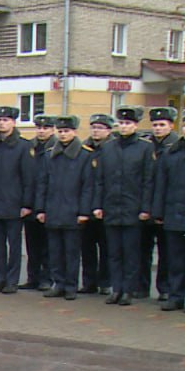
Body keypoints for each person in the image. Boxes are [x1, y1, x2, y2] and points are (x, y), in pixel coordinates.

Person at [93, 106, 154, 305]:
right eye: (121, 123)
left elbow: (147, 181)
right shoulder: (108, 147)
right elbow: (100, 180)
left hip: (132, 208)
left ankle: (128, 290)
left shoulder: (145, 148)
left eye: (128, 123)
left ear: (135, 125)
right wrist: (98, 205)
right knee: (114, 252)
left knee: (131, 253)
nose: (124, 127)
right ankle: (116, 289)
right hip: (111, 207)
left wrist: (145, 208)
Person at [36, 115, 95, 300]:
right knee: (55, 251)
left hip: (73, 211)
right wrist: (41, 209)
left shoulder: (85, 155)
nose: (63, 135)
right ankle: (58, 283)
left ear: (75, 132)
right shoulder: (50, 154)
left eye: (66, 131)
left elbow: (88, 186)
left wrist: (84, 211)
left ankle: (71, 286)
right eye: (60, 131)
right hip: (53, 210)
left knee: (71, 252)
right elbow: (42, 183)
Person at [151, 106, 185, 313]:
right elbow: (160, 185)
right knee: (175, 260)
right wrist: (158, 212)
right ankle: (175, 296)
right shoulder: (172, 153)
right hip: (174, 214)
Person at [0, 106, 34, 294]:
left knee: (14, 246)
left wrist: (27, 204)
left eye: (6, 120)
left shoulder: (23, 146)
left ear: (13, 122)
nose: (2, 123)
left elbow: (28, 177)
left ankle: (12, 280)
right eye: (0, 119)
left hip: (14, 202)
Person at [138, 107, 180, 300]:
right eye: (155, 125)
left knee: (166, 253)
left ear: (171, 126)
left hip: (165, 207)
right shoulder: (145, 145)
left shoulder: (177, 146)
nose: (158, 128)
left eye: (162, 125)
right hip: (145, 205)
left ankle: (165, 289)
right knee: (142, 250)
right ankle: (141, 287)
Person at [21, 115, 57, 290]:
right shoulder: (30, 147)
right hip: (31, 201)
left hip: (49, 202)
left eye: (45, 128)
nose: (41, 131)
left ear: (52, 129)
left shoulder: (56, 148)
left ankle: (46, 278)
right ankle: (32, 277)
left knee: (47, 245)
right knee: (32, 244)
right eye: (39, 128)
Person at [80, 114, 114, 294]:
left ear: (108, 130)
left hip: (105, 205)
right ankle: (89, 282)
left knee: (106, 247)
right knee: (87, 247)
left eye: (100, 128)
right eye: (93, 127)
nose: (96, 131)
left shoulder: (112, 149)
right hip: (86, 204)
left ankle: (105, 282)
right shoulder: (83, 149)